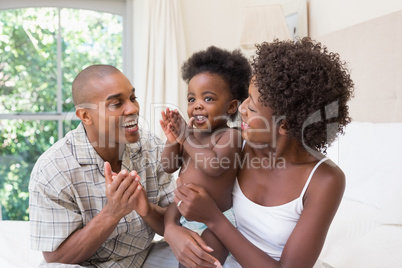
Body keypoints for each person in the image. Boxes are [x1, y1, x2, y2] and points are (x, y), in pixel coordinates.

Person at [165, 37, 355, 268]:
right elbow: (189, 179)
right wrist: (171, 229)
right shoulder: (239, 145)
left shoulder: (324, 180)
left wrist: (213, 219)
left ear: (285, 124)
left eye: (252, 106)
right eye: (246, 97)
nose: (241, 109)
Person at [29, 64, 176, 267]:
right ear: (85, 116)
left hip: (142, 257)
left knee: (207, 256)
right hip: (88, 265)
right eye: (116, 104)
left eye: (133, 98)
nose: (133, 109)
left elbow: (174, 223)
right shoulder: (53, 169)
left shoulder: (152, 147)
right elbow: (56, 258)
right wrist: (113, 212)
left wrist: (146, 210)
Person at [160, 46, 251, 266]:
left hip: (215, 221)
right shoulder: (190, 135)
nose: (197, 105)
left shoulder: (231, 136)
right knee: (171, 217)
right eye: (192, 99)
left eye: (208, 99)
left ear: (231, 107)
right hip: (184, 212)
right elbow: (168, 165)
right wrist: (173, 138)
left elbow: (214, 166)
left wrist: (185, 137)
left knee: (202, 258)